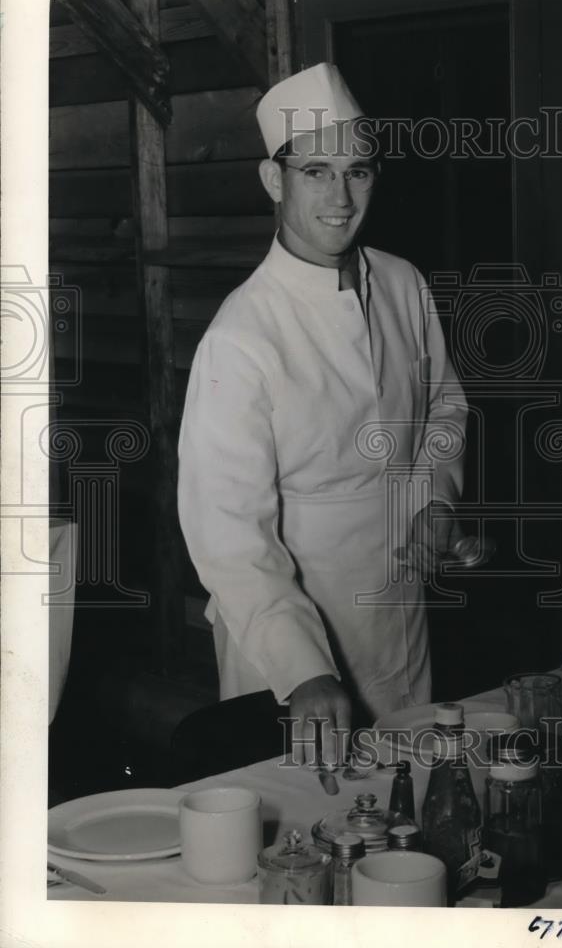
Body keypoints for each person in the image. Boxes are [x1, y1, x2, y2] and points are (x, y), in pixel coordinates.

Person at [178, 63, 467, 767]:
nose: (341, 197)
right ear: (273, 180)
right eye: (315, 172)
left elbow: (443, 406)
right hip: (289, 644)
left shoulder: (402, 283)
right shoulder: (240, 337)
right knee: (302, 836)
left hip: (397, 617)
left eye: (358, 171)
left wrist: (433, 499)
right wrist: (304, 669)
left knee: (407, 812)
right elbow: (228, 534)